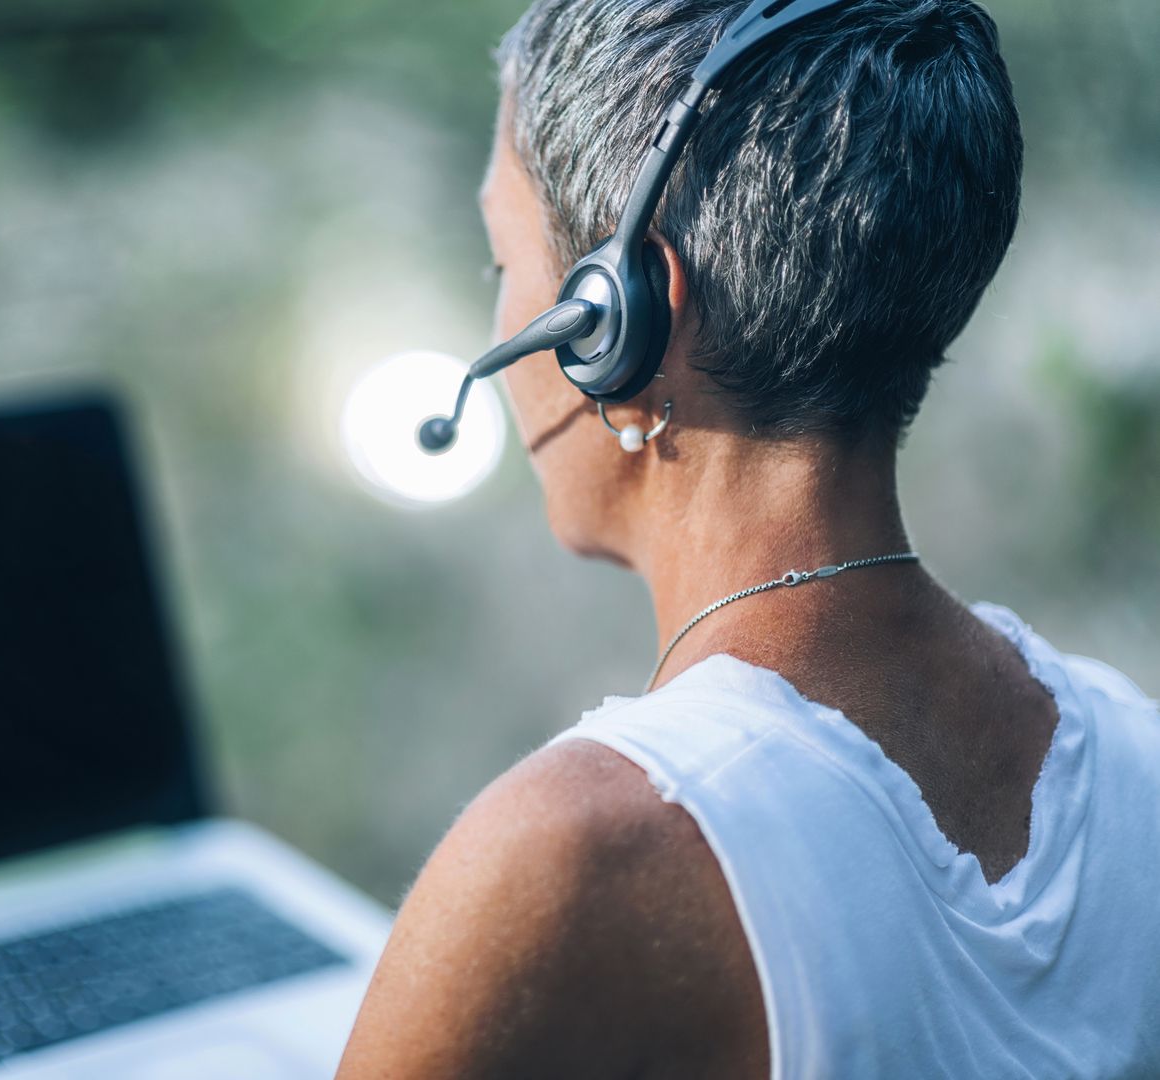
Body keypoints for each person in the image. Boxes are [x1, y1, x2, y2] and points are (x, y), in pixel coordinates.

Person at [336, 0, 1160, 1076]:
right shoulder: (1139, 759)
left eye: (503, 269)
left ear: (617, 320)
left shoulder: (574, 857)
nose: (497, 333)